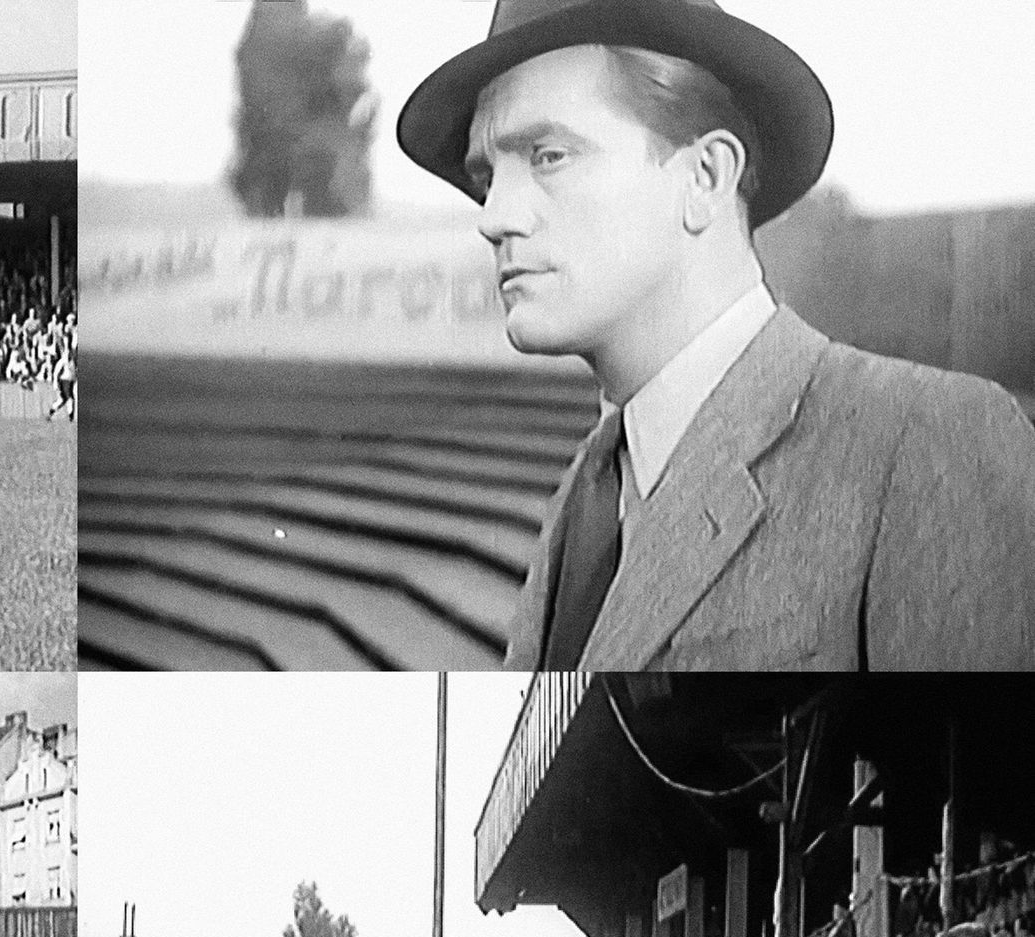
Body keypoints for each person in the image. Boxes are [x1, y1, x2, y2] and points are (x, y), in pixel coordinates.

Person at [396, 0, 1035, 670]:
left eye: (549, 155)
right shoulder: (583, 497)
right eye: (487, 177)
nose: (494, 216)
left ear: (705, 179)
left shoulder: (934, 442)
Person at [44, 344, 76, 421]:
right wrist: (55, 382)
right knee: (69, 399)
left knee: (62, 400)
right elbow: (56, 372)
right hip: (64, 381)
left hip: (70, 381)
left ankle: (50, 413)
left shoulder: (73, 362)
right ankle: (71, 418)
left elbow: (74, 373)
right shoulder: (63, 361)